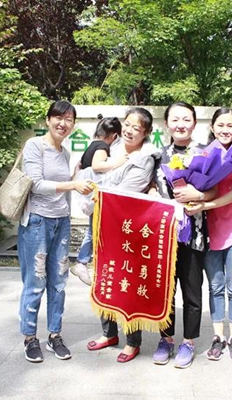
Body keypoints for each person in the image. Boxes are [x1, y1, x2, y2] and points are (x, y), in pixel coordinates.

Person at [18, 100, 94, 363]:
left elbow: (63, 189)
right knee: (35, 282)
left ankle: (55, 335)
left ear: (73, 124)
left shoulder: (64, 152)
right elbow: (36, 185)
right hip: (37, 222)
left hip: (61, 222)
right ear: (48, 119)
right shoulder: (35, 145)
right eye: (58, 118)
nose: (63, 123)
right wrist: (72, 185)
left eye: (69, 119)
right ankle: (30, 338)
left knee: (59, 283)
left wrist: (76, 182)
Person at [85, 107, 159, 363]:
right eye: (127, 124)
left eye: (136, 128)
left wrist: (97, 189)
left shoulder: (145, 158)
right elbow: (89, 172)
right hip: (102, 222)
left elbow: (126, 191)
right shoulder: (113, 148)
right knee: (104, 278)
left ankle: (132, 341)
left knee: (128, 283)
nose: (129, 130)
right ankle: (109, 333)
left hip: (127, 228)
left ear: (146, 133)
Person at [185, 108, 232, 363]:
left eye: (230, 126)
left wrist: (204, 205)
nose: (225, 130)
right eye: (220, 125)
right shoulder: (201, 155)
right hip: (209, 232)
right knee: (215, 287)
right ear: (212, 127)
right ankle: (218, 337)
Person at [149, 101, 213, 369]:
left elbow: (217, 190)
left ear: (194, 123)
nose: (180, 125)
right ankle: (166, 339)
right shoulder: (157, 156)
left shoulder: (206, 155)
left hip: (194, 233)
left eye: (186, 119)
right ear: (166, 124)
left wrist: (199, 194)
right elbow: (148, 186)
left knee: (192, 290)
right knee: (165, 291)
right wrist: (153, 192)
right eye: (175, 119)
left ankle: (188, 341)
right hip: (164, 236)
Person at [70, 115, 126, 286]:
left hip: (90, 197)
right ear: (114, 136)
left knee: (94, 229)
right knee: (95, 231)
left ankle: (84, 263)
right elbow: (97, 166)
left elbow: (79, 167)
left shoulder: (91, 146)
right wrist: (119, 162)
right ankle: (82, 262)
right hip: (97, 197)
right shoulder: (102, 146)